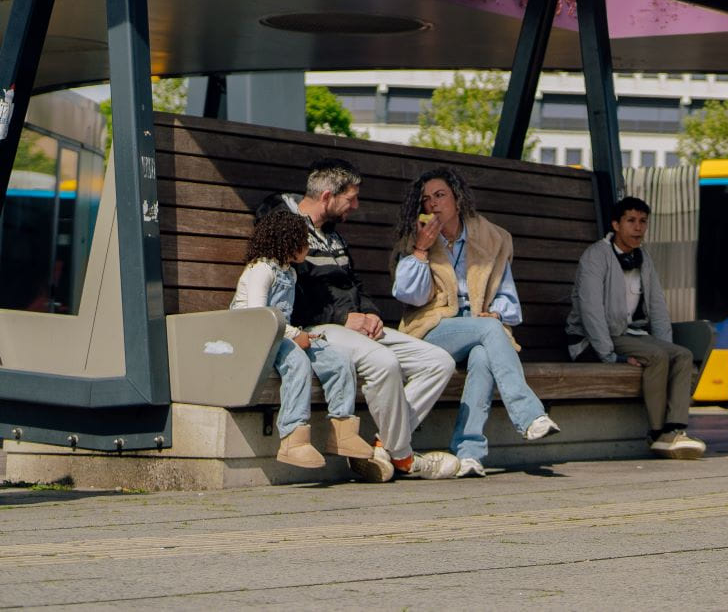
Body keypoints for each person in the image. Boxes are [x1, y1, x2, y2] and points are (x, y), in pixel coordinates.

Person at [276, 158, 456, 482]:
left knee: (439, 362)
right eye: (351, 198)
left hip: (354, 326)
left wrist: (370, 313)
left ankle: (385, 445)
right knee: (384, 364)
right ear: (328, 196)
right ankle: (404, 457)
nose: (356, 206)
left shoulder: (334, 236)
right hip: (318, 329)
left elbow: (354, 284)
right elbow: (292, 297)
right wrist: (344, 319)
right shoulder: (287, 228)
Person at [391, 166, 561, 478]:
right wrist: (421, 250)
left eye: (440, 195)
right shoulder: (415, 238)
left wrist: (496, 312)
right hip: (431, 330)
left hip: (479, 329)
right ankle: (529, 416)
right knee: (490, 330)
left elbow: (509, 299)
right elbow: (409, 297)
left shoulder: (492, 239)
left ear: (457, 199)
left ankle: (468, 454)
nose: (433, 204)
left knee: (484, 354)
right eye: (426, 199)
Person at [568, 195, 705, 459]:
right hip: (596, 338)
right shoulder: (596, 256)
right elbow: (591, 310)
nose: (638, 227)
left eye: (643, 221)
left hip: (630, 334)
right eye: (631, 221)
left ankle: (675, 428)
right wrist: (609, 356)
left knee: (682, 355)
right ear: (616, 225)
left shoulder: (644, 259)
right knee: (656, 356)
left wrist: (669, 345)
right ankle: (657, 433)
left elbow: (658, 307)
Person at [230, 206, 359, 472]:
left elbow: (283, 321)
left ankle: (343, 431)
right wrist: (293, 335)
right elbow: (259, 316)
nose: (307, 248)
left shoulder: (289, 272)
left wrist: (300, 334)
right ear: (286, 240)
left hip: (280, 333)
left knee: (337, 358)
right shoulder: (261, 269)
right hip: (255, 335)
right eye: (302, 241)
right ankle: (293, 437)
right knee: (297, 361)